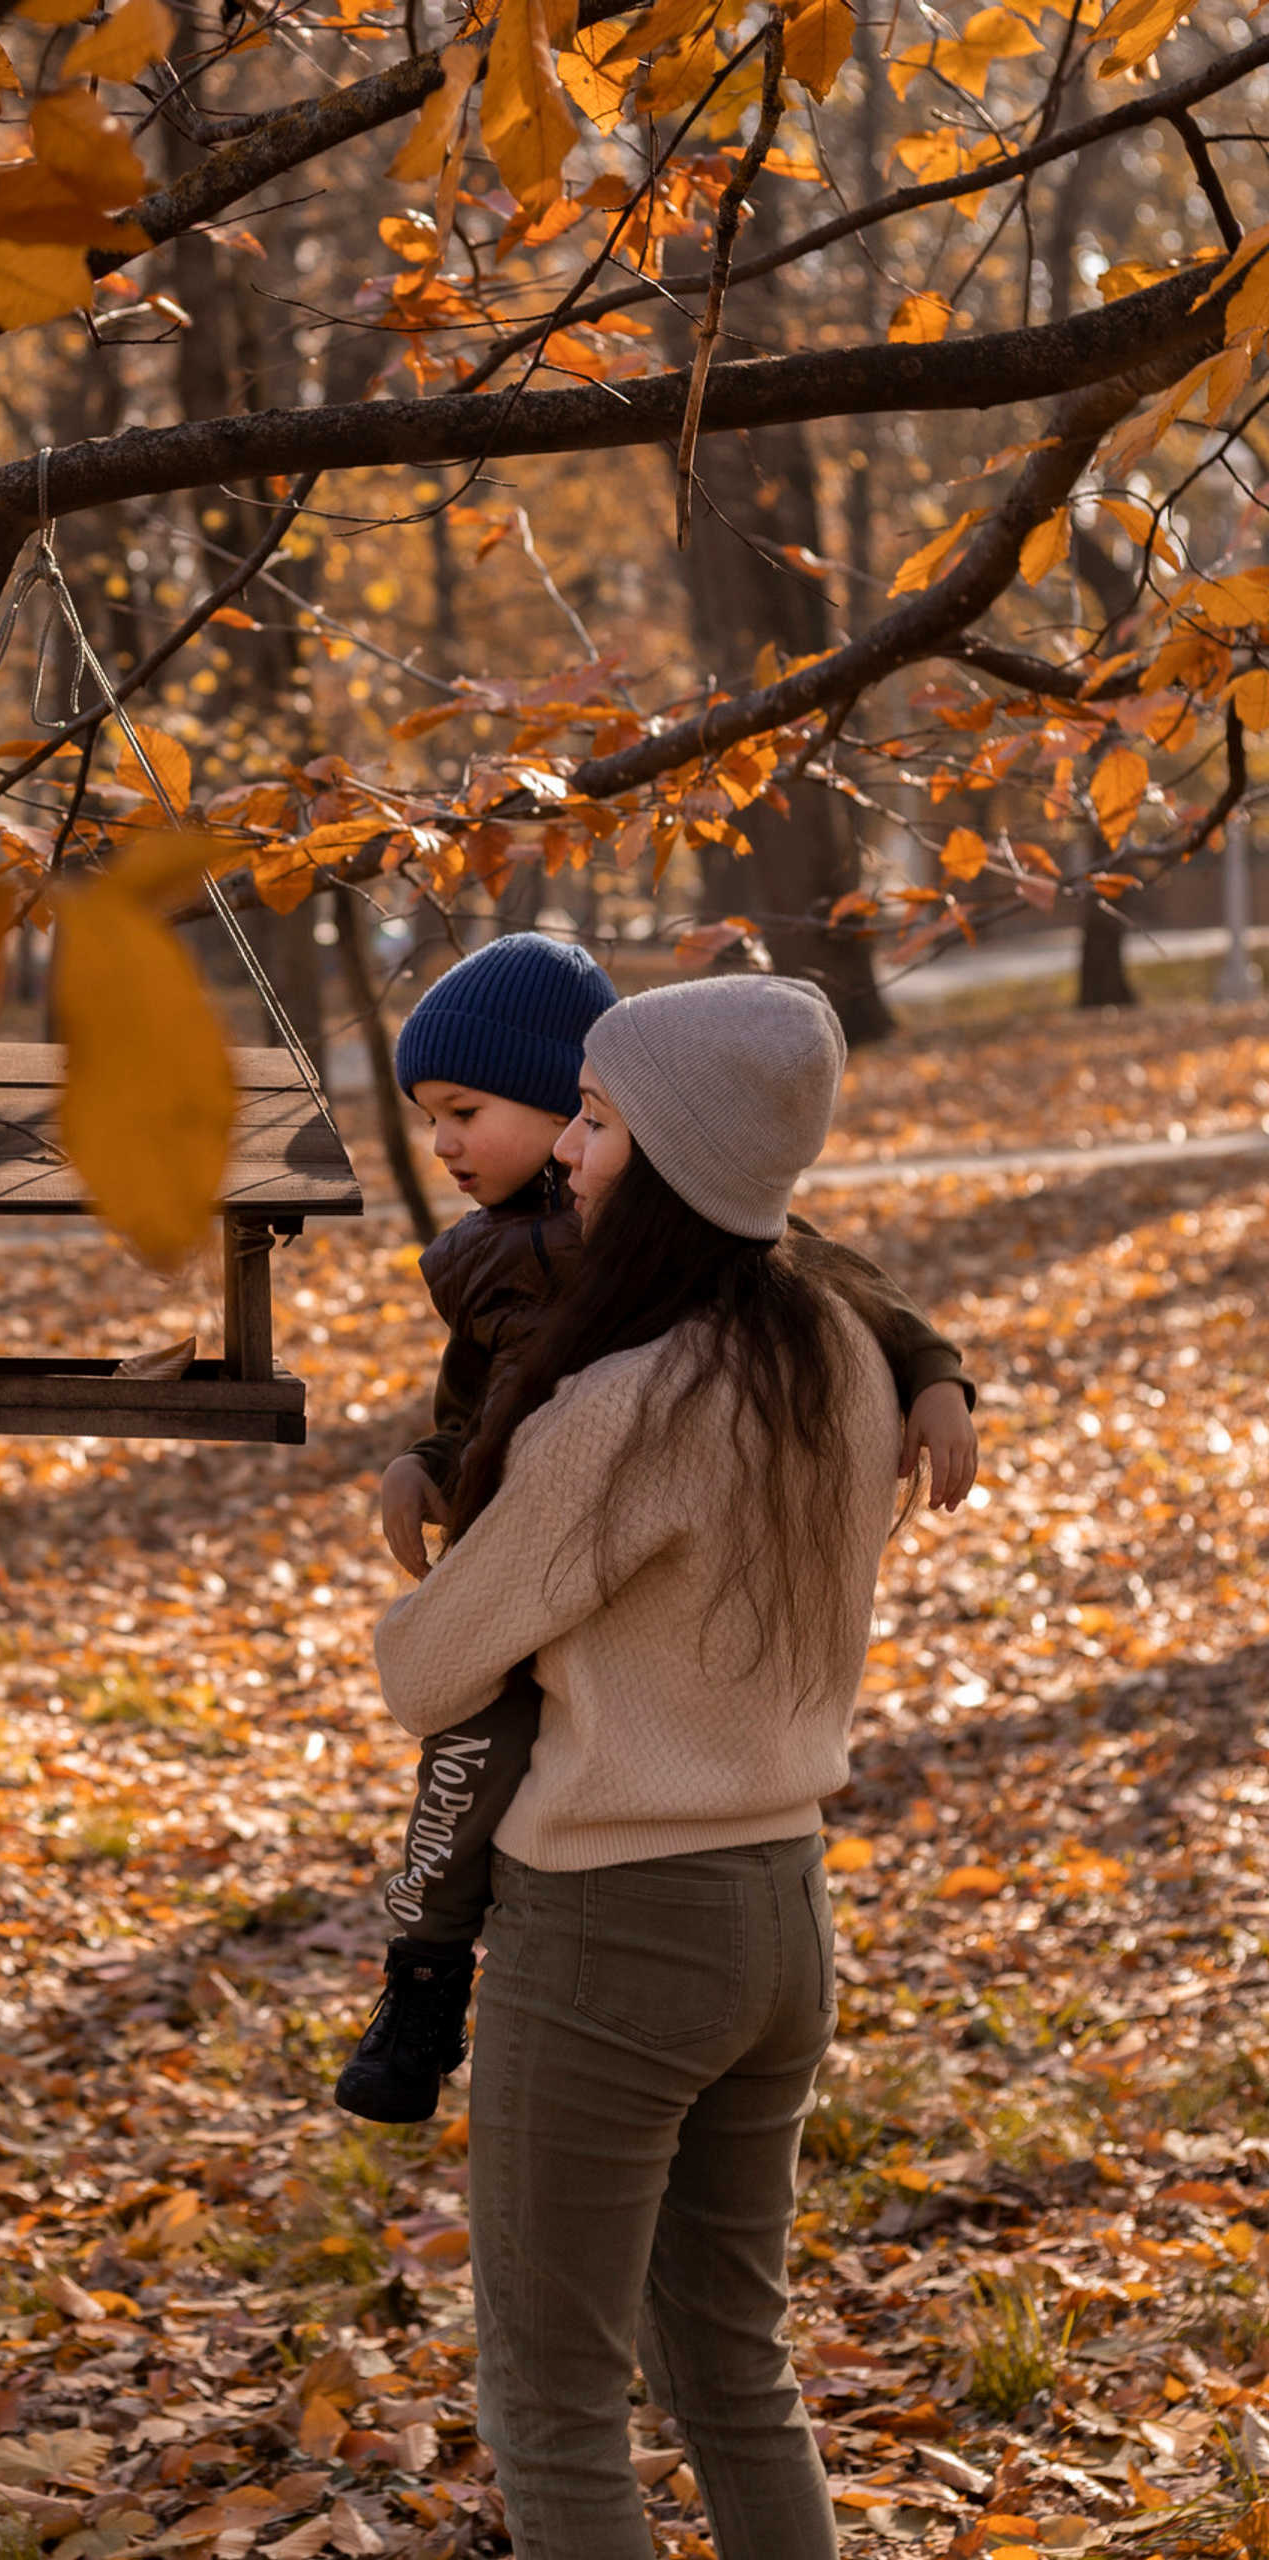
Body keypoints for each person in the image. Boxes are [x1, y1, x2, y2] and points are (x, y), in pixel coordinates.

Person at [371, 975, 940, 2560]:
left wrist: (421, 1555)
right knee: (739, 2379)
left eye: (601, 1124)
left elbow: (431, 1669)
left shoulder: (626, 1406)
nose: (570, 1155)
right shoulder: (834, 1348)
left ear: (673, 1152)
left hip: (612, 1930)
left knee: (553, 2400)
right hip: (781, 1917)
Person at [336, 938, 976, 2124]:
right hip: (745, 1856)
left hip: (613, 1822)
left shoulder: (705, 1300)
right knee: (458, 1780)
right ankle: (420, 1979)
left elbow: (851, 1284)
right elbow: (468, 1406)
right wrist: (421, 1467)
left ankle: (422, 1981)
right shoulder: (487, 1264)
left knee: (463, 1744)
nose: (442, 1143)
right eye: (429, 1116)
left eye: (468, 1110)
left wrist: (935, 1378)